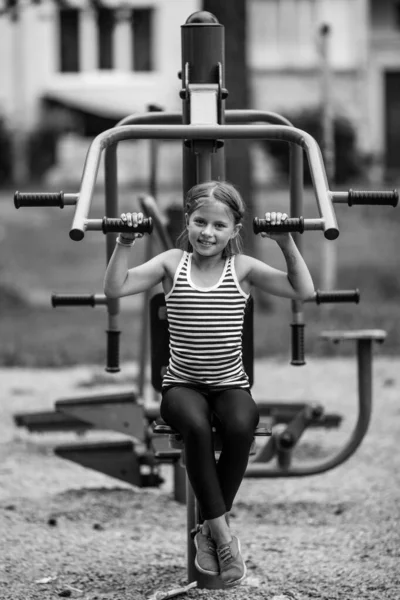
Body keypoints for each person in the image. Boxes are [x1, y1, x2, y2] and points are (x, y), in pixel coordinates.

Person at [104, 181, 314, 587]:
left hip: (230, 385)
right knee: (196, 428)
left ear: (235, 230)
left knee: (240, 426)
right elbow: (115, 288)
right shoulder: (171, 263)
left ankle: (206, 529)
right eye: (200, 221)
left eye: (219, 225)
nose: (207, 233)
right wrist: (125, 242)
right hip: (181, 387)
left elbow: (302, 290)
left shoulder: (244, 269)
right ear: (187, 221)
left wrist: (285, 241)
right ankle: (222, 535)